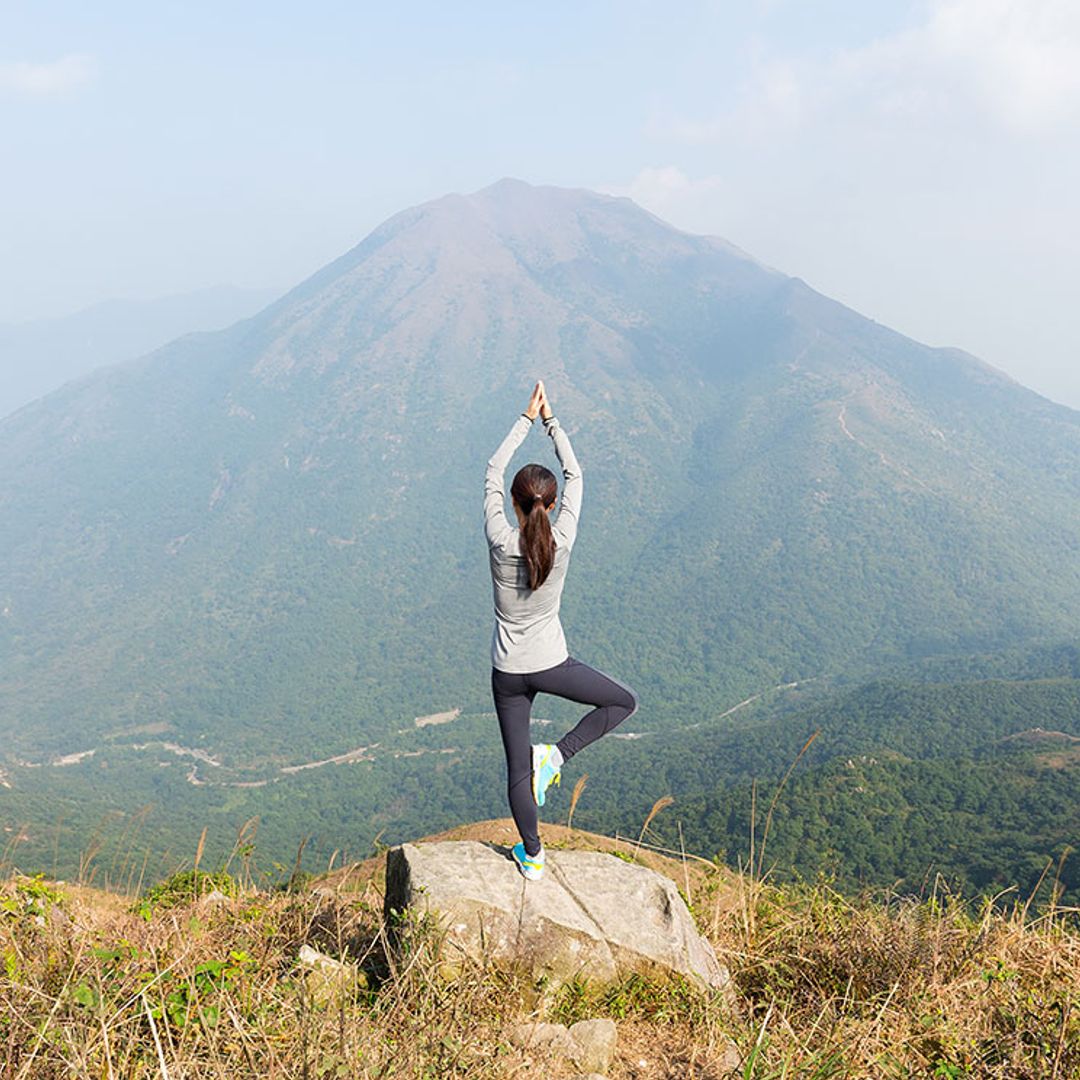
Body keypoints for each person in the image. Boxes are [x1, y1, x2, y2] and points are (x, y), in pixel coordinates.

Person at [484, 380, 639, 881]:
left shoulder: (499, 539)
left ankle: (532, 854)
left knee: (517, 769)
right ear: (550, 507)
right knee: (623, 702)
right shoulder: (563, 540)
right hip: (552, 664)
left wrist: (525, 419)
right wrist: (551, 422)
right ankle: (556, 756)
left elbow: (492, 471)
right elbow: (575, 474)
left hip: (508, 672)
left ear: (513, 503)